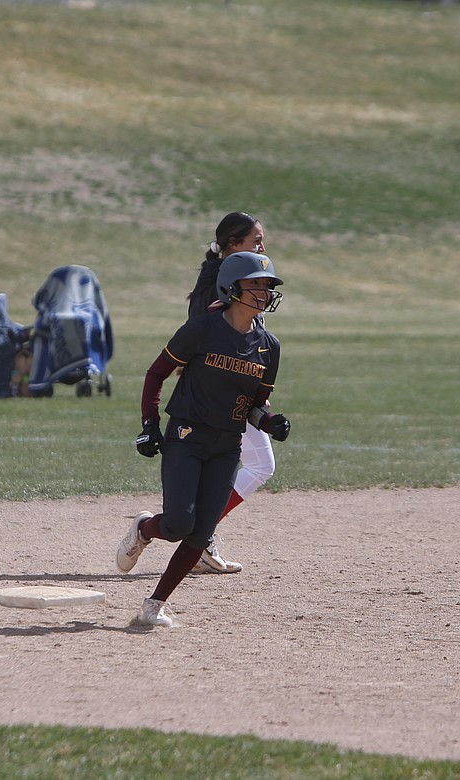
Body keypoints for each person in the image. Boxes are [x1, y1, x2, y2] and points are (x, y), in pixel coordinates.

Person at [118, 251, 292, 627]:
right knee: (178, 524)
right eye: (255, 284)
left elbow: (256, 407)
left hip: (226, 446)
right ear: (232, 287)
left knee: (202, 531)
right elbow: (156, 374)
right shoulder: (202, 329)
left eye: (267, 286)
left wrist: (271, 422)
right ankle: (144, 528)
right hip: (186, 436)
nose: (263, 292)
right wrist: (149, 423)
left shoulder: (269, 346)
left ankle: (154, 605)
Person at [185, 212, 274, 574]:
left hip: (228, 390)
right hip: (221, 394)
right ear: (233, 245)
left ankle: (198, 533)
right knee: (260, 464)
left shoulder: (229, 278)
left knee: (253, 465)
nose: (262, 247)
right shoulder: (218, 285)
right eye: (255, 241)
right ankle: (197, 534)